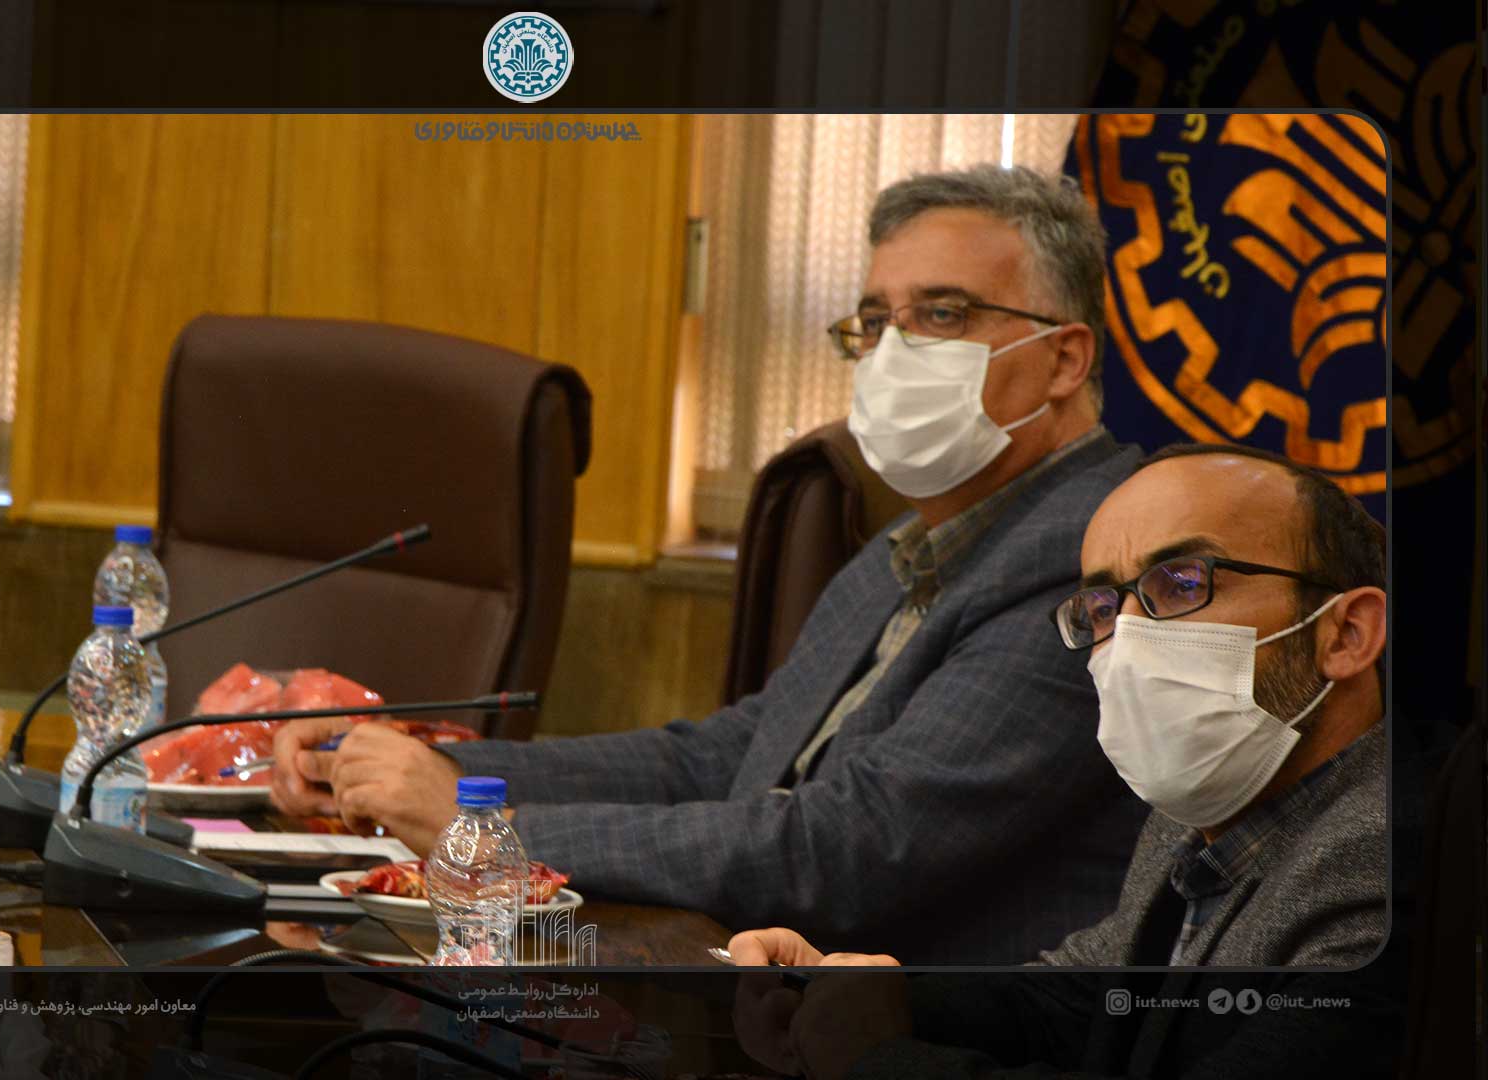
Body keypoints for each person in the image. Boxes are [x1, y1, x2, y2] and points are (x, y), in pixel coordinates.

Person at [272, 165, 1150, 962]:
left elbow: (851, 849)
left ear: (1064, 359)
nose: (893, 352)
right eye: (877, 321)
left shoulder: (1091, 558)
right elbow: (727, 756)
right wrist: (428, 770)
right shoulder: (918, 545)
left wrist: (488, 829)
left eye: (943, 315)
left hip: (928, 1029)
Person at [726, 444, 1390, 1076]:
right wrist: (855, 994)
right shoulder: (1199, 815)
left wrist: (870, 1059)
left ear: (1347, 634)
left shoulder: (1380, 871)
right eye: (1101, 608)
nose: (1127, 640)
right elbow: (1083, 1002)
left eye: (1184, 583)